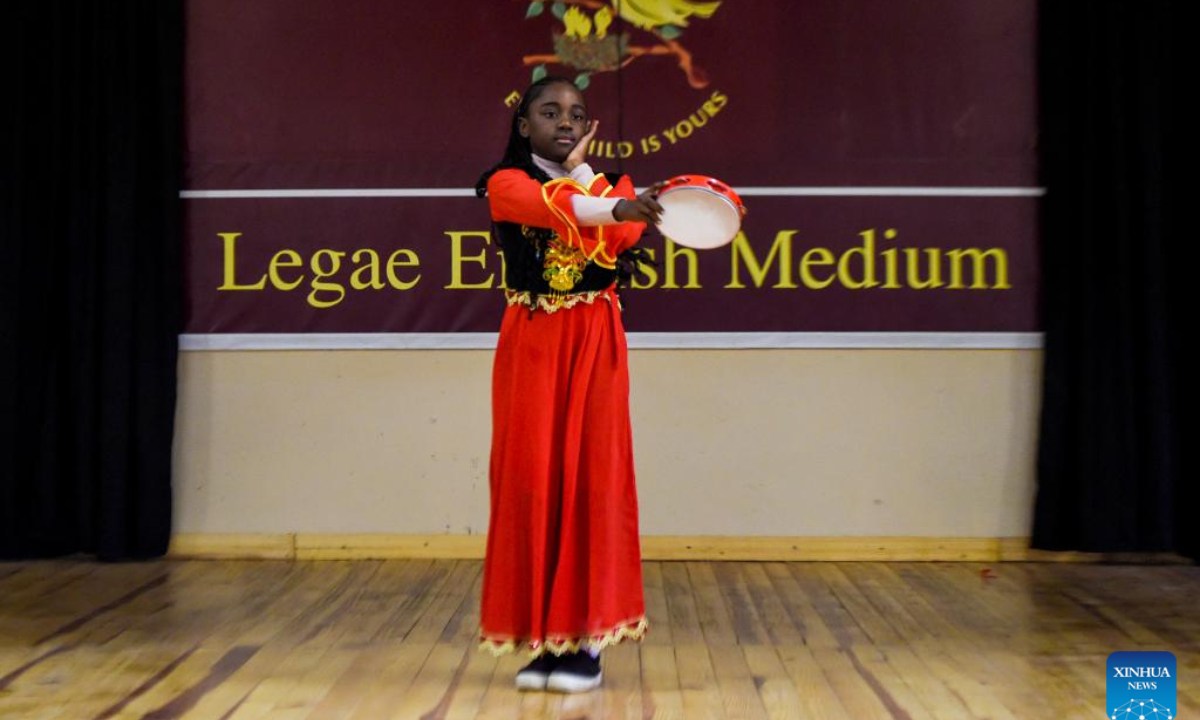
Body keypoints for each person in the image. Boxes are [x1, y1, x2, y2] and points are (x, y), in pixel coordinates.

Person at [473, 75, 665, 693]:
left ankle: (586, 642)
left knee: (591, 480)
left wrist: (601, 190)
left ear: (588, 129)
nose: (565, 121)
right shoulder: (507, 185)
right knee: (530, 481)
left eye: (576, 114)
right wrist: (608, 205)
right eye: (550, 112)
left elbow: (623, 231)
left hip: (593, 342)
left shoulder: (616, 188)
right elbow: (557, 211)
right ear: (524, 126)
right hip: (531, 342)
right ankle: (543, 640)